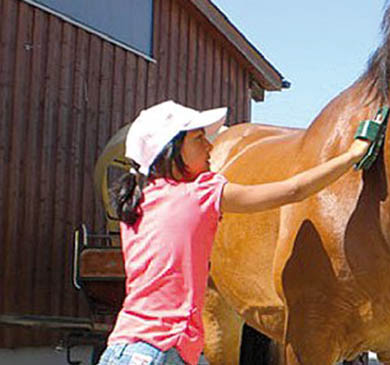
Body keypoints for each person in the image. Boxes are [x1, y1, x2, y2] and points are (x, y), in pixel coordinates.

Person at [97, 100, 374, 365]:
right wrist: (351, 155)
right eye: (198, 139)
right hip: (159, 351)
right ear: (170, 150)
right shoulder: (199, 194)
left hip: (124, 346)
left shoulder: (138, 202)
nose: (210, 146)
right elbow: (294, 190)